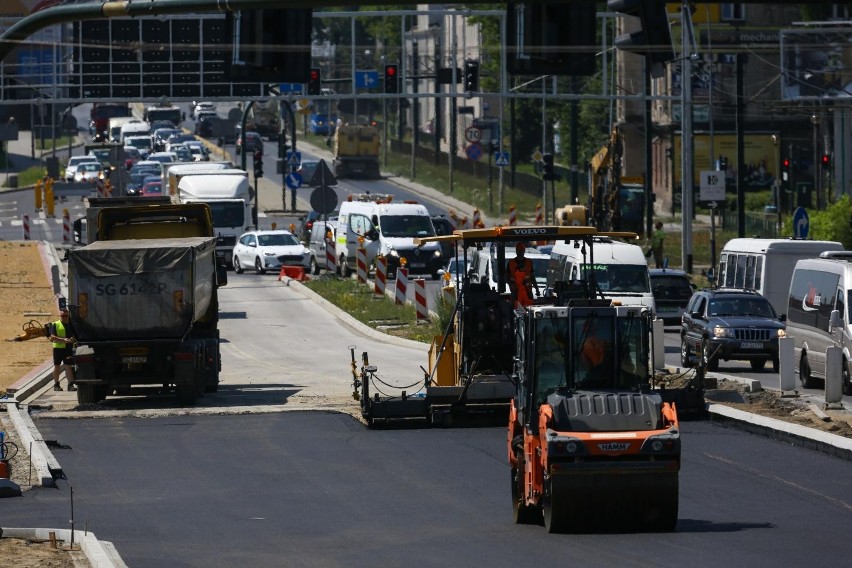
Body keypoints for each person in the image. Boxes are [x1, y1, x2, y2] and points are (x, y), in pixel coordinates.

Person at [48, 309, 76, 392]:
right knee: (57, 366)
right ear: (60, 316)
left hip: (68, 349)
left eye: (66, 315)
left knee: (68, 366)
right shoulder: (55, 324)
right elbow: (52, 337)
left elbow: (75, 335)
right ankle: (56, 384)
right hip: (58, 349)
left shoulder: (71, 325)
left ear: (68, 315)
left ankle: (70, 385)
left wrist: (72, 339)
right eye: (62, 316)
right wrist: (63, 340)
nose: (64, 317)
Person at [506, 243, 540, 308]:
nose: (520, 252)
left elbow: (532, 276)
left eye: (521, 250)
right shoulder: (511, 262)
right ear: (516, 251)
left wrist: (536, 288)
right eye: (518, 250)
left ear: (524, 251)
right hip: (516, 291)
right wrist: (511, 284)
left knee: (529, 307)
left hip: (527, 290)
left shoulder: (529, 261)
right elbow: (506, 276)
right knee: (516, 307)